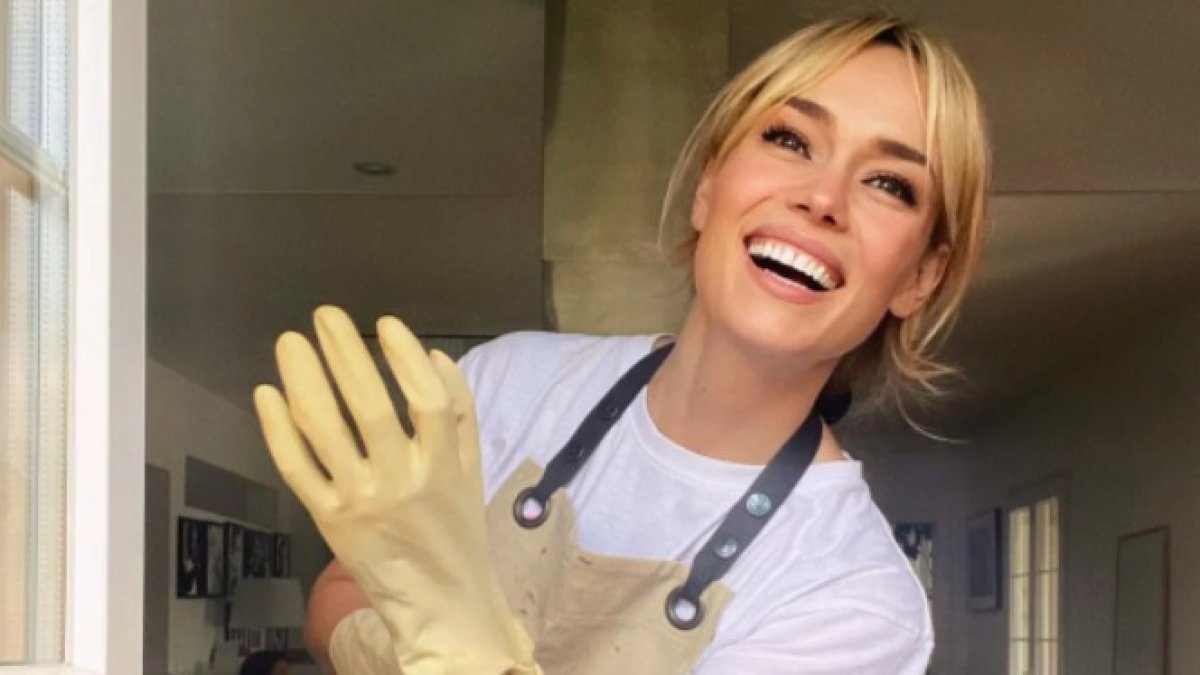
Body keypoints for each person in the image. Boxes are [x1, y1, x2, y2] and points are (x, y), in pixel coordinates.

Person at [256, 11, 990, 674]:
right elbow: (342, 590)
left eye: (890, 184)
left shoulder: (852, 598)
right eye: (790, 138)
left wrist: (471, 659)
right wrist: (410, 644)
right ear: (708, 186)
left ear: (919, 278)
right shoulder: (509, 382)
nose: (822, 198)